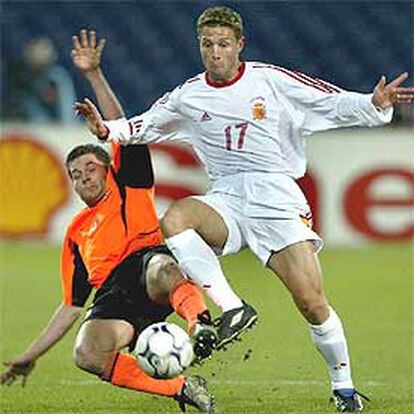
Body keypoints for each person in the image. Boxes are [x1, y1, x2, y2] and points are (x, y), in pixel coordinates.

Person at [73, 7, 414, 413]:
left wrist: (372, 104)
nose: (215, 53)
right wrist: (105, 131)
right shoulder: (189, 95)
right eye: (207, 45)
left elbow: (329, 101)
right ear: (199, 47)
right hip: (228, 196)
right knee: (177, 218)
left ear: (239, 45)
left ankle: (344, 388)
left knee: (311, 302)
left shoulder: (270, 80)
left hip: (275, 195)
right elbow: (142, 126)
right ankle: (232, 308)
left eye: (222, 44)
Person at [0, 65, 218, 413]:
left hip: (148, 271)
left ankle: (201, 325)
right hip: (116, 297)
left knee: (164, 266)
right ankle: (182, 388)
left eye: (90, 168)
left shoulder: (128, 185)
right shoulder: (75, 232)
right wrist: (30, 355)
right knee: (87, 353)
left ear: (108, 168)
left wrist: (95, 76)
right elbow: (71, 305)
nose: (83, 177)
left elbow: (125, 131)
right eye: (75, 174)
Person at [2, 37, 77, 123]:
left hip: (59, 127)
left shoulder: (57, 77)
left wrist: (66, 127)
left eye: (45, 51)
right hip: (30, 125)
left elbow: (67, 109)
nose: (41, 56)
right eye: (37, 52)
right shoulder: (20, 76)